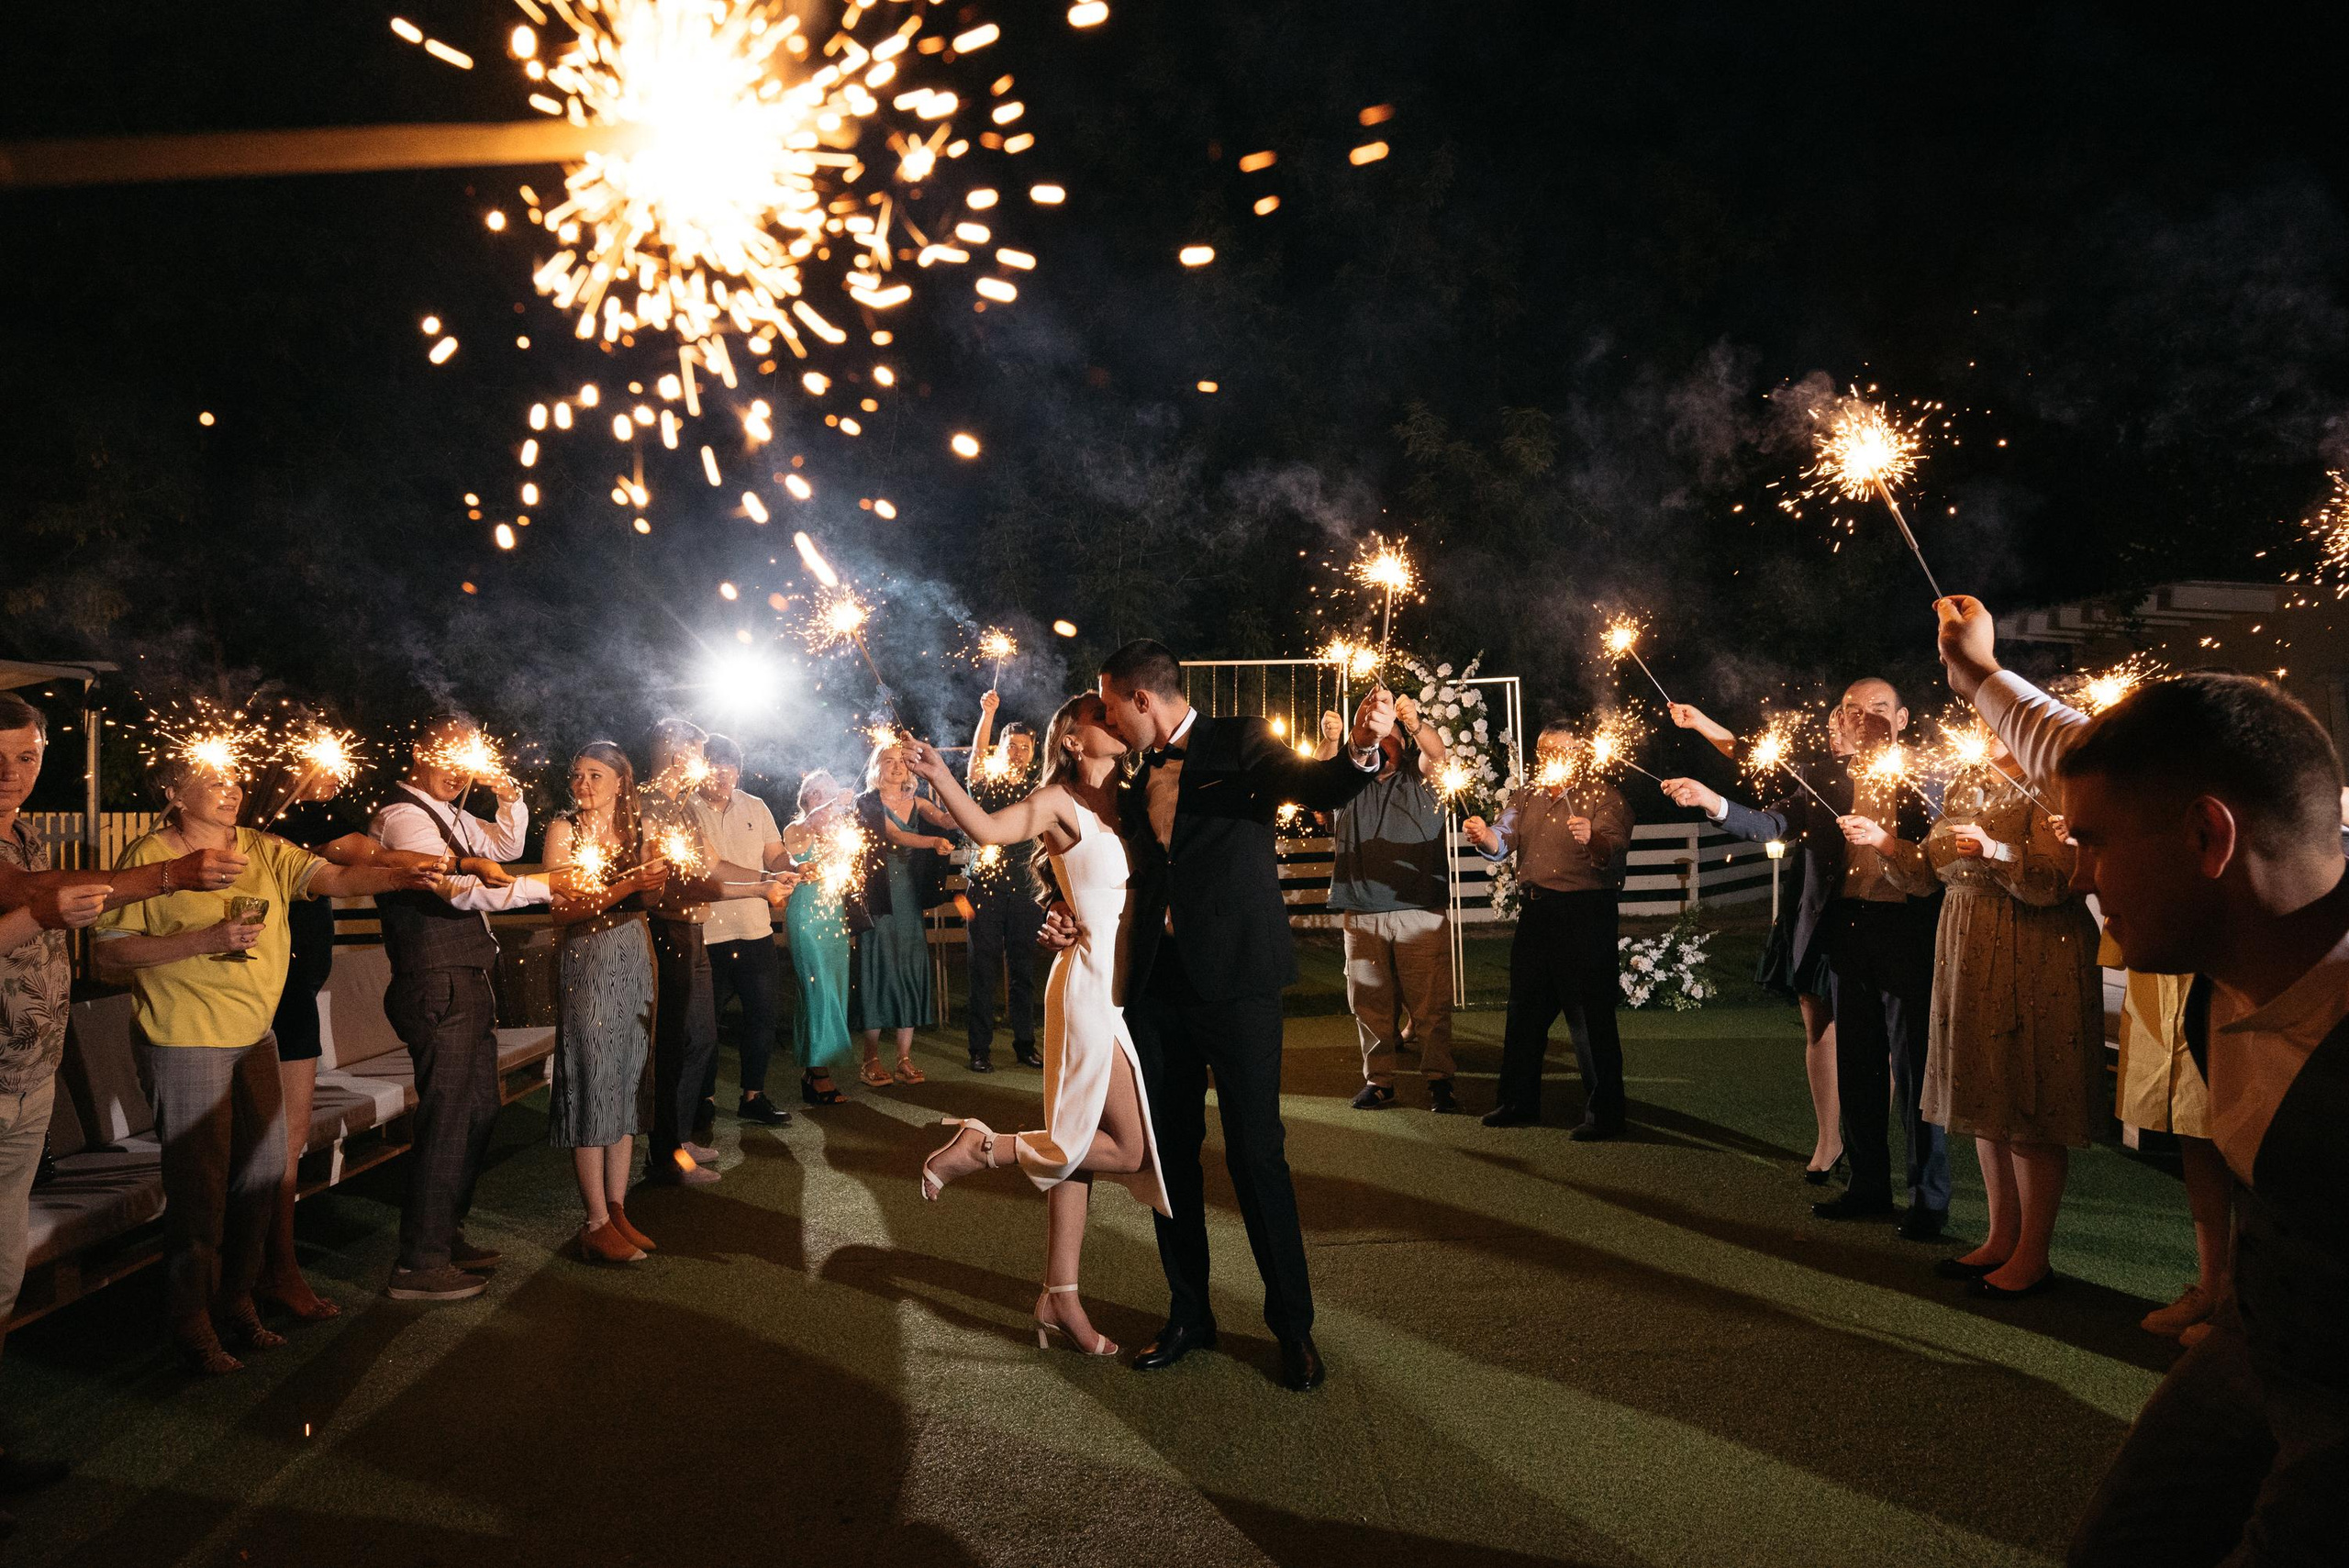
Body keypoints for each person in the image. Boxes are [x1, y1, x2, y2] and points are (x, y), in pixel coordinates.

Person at [1936, 594, 2349, 1568]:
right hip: (2257, 1336)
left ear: (2209, 841)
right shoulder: (2233, 908)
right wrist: (1977, 673)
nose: (2079, 872)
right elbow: (2079, 752)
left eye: (2092, 843)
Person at [1072, 639, 1393, 1392]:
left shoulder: (1241, 740)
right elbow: (1103, 858)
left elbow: (1321, 781)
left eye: (1112, 706)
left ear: (1142, 698)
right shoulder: (1133, 770)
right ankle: (1191, 1314)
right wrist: (1061, 906)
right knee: (1169, 1157)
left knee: (1256, 1154)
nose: (1109, 721)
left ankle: (1293, 1327)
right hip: (1158, 990)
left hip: (1240, 986)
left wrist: (1360, 750)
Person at [97, 753, 436, 1369]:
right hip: (185, 1037)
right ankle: (190, 1319)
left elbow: (334, 878)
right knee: (199, 1190)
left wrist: (398, 876)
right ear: (174, 788)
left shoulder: (263, 847)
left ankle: (237, 1298)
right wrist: (204, 940)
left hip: (255, 1036)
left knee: (261, 1177)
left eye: (234, 778)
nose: (231, 790)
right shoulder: (151, 859)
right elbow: (108, 957)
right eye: (212, 779)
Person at [0, 692, 249, 1511]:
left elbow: (42, 886)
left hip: (28, 1078)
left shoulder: (26, 828)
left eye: (29, 756)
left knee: (1, 1281)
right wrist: (168, 875)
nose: (14, 773)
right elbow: (27, 895)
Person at [902, 699, 1170, 1354]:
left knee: (1079, 1142)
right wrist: (941, 776)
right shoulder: (1056, 801)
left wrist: (1063, 910)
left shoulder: (1129, 802)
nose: (1118, 722)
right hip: (1084, 988)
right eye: (1103, 716)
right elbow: (992, 830)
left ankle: (1061, 1297)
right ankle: (983, 1148)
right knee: (1130, 1149)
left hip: (1118, 986)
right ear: (1075, 740)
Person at [1660, 679, 1953, 1240]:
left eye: (1878, 709)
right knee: (1859, 1065)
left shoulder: (1933, 776)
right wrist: (1711, 801)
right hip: (1846, 933)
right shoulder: (1824, 779)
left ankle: (1929, 1199)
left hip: (1908, 934)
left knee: (1916, 1071)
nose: (1863, 718)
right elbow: (1771, 823)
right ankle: (1867, 1185)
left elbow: (1943, 858)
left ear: (1904, 717)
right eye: (1852, 709)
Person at [1850, 728, 2103, 1297]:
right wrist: (1886, 843)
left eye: (1995, 720)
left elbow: (2056, 881)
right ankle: (2000, 1237)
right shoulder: (1967, 780)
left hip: (2032, 952)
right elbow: (1928, 875)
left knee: (2027, 1097)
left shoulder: (2050, 785)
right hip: (1967, 948)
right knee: (1988, 1098)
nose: (1982, 729)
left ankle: (2033, 1256)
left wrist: (1995, 852)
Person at [241, 761, 452, 1320]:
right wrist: (439, 864)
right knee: (271, 1152)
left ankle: (268, 1269)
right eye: (324, 763)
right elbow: (369, 853)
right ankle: (264, 1273)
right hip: (269, 1001)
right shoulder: (285, 830)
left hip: (296, 1001)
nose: (338, 775)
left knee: (283, 1149)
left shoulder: (299, 822)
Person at [369, 715, 555, 1301]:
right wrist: (549, 886)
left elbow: (505, 846)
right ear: (422, 751)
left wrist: (511, 794)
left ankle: (445, 1234)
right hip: (436, 980)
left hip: (465, 977)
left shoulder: (451, 815)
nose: (458, 771)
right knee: (448, 1118)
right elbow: (458, 889)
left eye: (466, 760)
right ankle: (418, 1263)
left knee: (478, 1110)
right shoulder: (402, 817)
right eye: (448, 756)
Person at [1668, 701, 1842, 1180]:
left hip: (1881, 923)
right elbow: (1762, 798)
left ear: (1901, 719)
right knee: (1820, 1028)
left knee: (1884, 1040)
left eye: (1866, 713)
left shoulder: (1905, 777)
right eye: (1836, 718)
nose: (1844, 726)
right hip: (1814, 916)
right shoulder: (1816, 778)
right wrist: (1708, 788)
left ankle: (1867, 1137)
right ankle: (1831, 1139)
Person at [636, 718, 790, 1187]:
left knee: (699, 1037)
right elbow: (693, 879)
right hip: (667, 931)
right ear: (676, 753)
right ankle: (665, 1153)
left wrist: (768, 880)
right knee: (679, 1041)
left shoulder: (680, 805)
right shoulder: (648, 803)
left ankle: (677, 1140)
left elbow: (711, 865)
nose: (707, 765)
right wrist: (763, 888)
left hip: (692, 930)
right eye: (700, 753)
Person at [1464, 722, 1632, 1134]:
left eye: (1561, 750)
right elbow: (1502, 840)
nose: (1551, 758)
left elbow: (1612, 851)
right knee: (1524, 1012)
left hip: (1586, 913)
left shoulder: (1604, 795)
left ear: (1580, 753)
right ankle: (1518, 1102)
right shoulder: (1527, 795)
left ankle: (1605, 1115)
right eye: (1544, 750)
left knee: (1589, 1017)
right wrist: (1485, 836)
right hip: (1537, 914)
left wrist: (1592, 838)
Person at [540, 742, 671, 1263]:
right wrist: (630, 885)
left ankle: (617, 1210)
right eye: (578, 775)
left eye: (596, 775)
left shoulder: (639, 834)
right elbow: (562, 911)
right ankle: (593, 1220)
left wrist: (654, 882)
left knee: (625, 1077)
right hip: (589, 962)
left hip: (634, 958)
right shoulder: (563, 830)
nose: (584, 784)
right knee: (593, 1079)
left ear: (621, 782)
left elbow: (652, 901)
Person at [1326, 694, 1458, 1113]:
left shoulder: (1423, 781)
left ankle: (1440, 1080)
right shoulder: (1348, 787)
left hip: (1418, 910)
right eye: (1374, 737)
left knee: (1430, 1004)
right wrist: (1332, 741)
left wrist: (1416, 725)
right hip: (1362, 913)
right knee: (1369, 1004)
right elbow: (1320, 777)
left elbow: (1438, 754)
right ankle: (1379, 1081)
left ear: (1403, 746)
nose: (1382, 743)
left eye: (1391, 736)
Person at [2112, 947, 2233, 1345]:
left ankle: (2242, 1302)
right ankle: (2211, 1286)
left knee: (2244, 1134)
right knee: (2192, 1130)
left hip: (2229, 966)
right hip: (2168, 964)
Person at [690, 734, 796, 1127]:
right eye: (714, 766)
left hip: (755, 931)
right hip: (707, 934)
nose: (722, 774)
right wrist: (769, 878)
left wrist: (791, 866)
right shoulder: (686, 809)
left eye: (729, 767)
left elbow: (776, 852)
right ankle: (704, 1097)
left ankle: (754, 1095)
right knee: (706, 1024)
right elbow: (711, 867)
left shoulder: (755, 805)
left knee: (762, 1016)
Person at [851, 740, 957, 1087]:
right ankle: (870, 1060)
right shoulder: (866, 803)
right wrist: (932, 843)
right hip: (881, 897)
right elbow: (893, 835)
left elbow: (943, 818)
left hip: (909, 897)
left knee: (909, 969)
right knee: (879, 971)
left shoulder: (918, 801)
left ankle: (904, 1059)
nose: (897, 766)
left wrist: (955, 798)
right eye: (888, 760)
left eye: (902, 760)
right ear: (877, 766)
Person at [962, 692, 1044, 1073]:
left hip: (1028, 890)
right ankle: (979, 1049)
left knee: (1024, 970)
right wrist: (987, 715)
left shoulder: (1040, 788)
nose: (1018, 752)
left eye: (1025, 747)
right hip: (987, 888)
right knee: (983, 970)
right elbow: (977, 758)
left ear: (1033, 751)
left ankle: (1025, 1043)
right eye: (1012, 746)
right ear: (1002, 748)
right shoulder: (988, 782)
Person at [780, 773, 856, 1105]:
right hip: (807, 917)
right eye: (820, 792)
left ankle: (815, 1070)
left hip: (834, 916)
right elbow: (795, 854)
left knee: (835, 991)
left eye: (831, 791)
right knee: (816, 990)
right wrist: (830, 805)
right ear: (808, 797)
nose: (827, 797)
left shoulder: (839, 833)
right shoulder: (796, 828)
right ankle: (819, 1075)